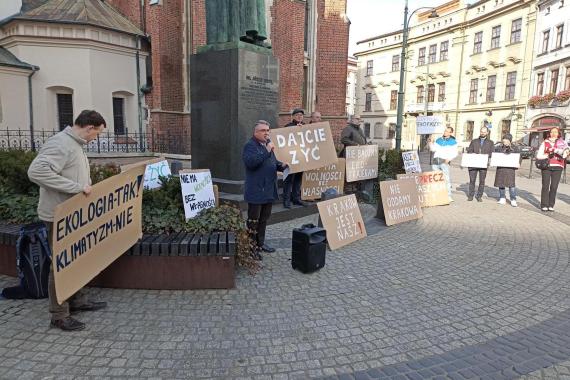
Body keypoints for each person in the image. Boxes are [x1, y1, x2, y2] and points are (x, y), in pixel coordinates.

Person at [27, 110, 108, 332]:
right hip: (57, 215)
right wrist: (76, 188)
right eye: (97, 133)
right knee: (61, 264)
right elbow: (36, 172)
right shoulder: (61, 144)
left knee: (76, 259)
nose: (96, 138)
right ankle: (59, 314)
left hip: (72, 215)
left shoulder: (75, 144)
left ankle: (77, 300)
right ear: (89, 128)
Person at [243, 120, 288, 258]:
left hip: (268, 189)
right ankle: (251, 248)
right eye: (263, 130)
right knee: (253, 221)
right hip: (256, 191)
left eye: (268, 130)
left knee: (263, 219)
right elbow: (251, 163)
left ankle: (260, 244)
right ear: (255, 132)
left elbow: (272, 163)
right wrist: (267, 150)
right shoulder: (250, 145)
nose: (266, 133)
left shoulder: (267, 146)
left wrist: (282, 166)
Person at [536, 127, 569, 212]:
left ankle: (551, 205)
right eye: (552, 132)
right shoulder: (545, 143)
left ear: (558, 134)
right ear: (549, 133)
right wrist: (548, 155)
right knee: (545, 186)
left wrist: (564, 152)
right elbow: (539, 156)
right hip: (547, 166)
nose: (553, 134)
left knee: (554, 187)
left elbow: (566, 153)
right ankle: (544, 204)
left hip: (558, 167)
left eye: (555, 132)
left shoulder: (563, 143)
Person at [282, 108, 306, 208]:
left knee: (298, 179)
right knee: (288, 180)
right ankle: (286, 200)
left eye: (301, 115)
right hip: (291, 157)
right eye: (297, 115)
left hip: (301, 157)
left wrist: (302, 129)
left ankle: (296, 198)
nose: (299, 116)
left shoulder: (306, 127)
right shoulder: (288, 127)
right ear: (293, 116)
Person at [428, 127, 458, 202]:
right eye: (445, 131)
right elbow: (433, 149)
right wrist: (430, 143)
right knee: (436, 180)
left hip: (444, 162)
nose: (445, 132)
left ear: (451, 133)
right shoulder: (438, 140)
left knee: (446, 180)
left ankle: (448, 196)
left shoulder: (453, 142)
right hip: (435, 161)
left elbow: (455, 153)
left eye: (448, 131)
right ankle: (438, 196)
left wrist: (449, 159)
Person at [466, 126, 494, 202]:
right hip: (473, 163)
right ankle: (471, 195)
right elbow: (469, 151)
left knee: (482, 181)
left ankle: (479, 196)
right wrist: (474, 154)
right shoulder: (474, 141)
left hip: (483, 164)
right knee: (472, 180)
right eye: (481, 131)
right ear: (480, 132)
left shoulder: (490, 142)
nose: (482, 133)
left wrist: (486, 156)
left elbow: (492, 153)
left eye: (484, 132)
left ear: (487, 133)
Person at [494, 133, 519, 207]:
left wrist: (518, 163)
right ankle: (502, 197)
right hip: (501, 169)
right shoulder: (499, 148)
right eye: (503, 140)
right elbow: (495, 156)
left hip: (510, 169)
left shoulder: (515, 148)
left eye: (506, 140)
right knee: (501, 183)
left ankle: (513, 199)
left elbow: (518, 157)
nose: (504, 142)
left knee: (511, 185)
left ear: (510, 141)